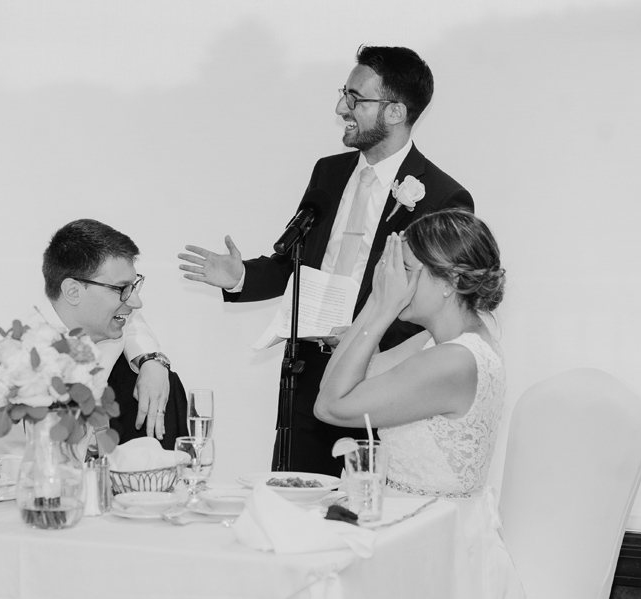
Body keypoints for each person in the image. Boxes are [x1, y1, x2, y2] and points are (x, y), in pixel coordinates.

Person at [178, 46, 473, 475]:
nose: (341, 108)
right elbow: (296, 262)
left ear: (395, 112)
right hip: (305, 371)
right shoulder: (328, 173)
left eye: (356, 99)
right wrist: (241, 276)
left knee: (360, 515)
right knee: (295, 503)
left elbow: (444, 305)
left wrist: (363, 336)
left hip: (380, 378)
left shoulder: (444, 197)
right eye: (344, 94)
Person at [315, 209, 525, 598]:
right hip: (416, 531)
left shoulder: (453, 361)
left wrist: (381, 306)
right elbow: (343, 381)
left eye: (408, 272)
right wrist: (376, 308)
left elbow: (330, 406)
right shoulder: (445, 341)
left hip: (431, 547)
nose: (398, 283)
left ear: (449, 282)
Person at [0, 219, 181, 457]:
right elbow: (13, 470)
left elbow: (131, 322)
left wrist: (152, 360)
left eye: (134, 286)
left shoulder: (103, 324)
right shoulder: (9, 363)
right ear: (73, 291)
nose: (136, 301)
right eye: (122, 289)